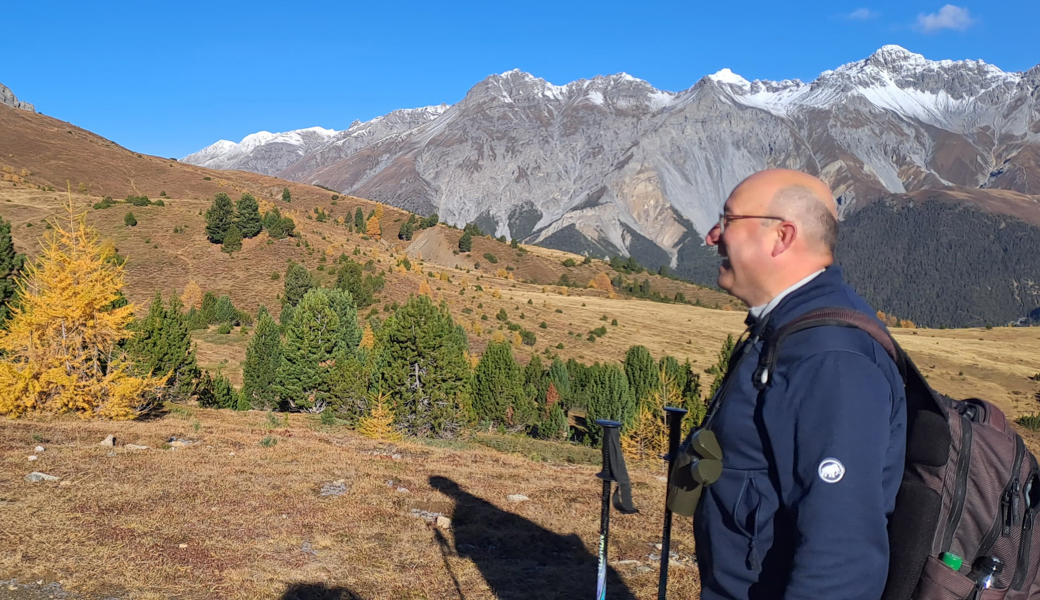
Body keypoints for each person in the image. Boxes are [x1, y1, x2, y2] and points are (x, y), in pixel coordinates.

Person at [695, 169, 907, 599]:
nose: (712, 235)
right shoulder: (789, 331)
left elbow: (843, 553)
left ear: (781, 237)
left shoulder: (832, 360)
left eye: (728, 219)